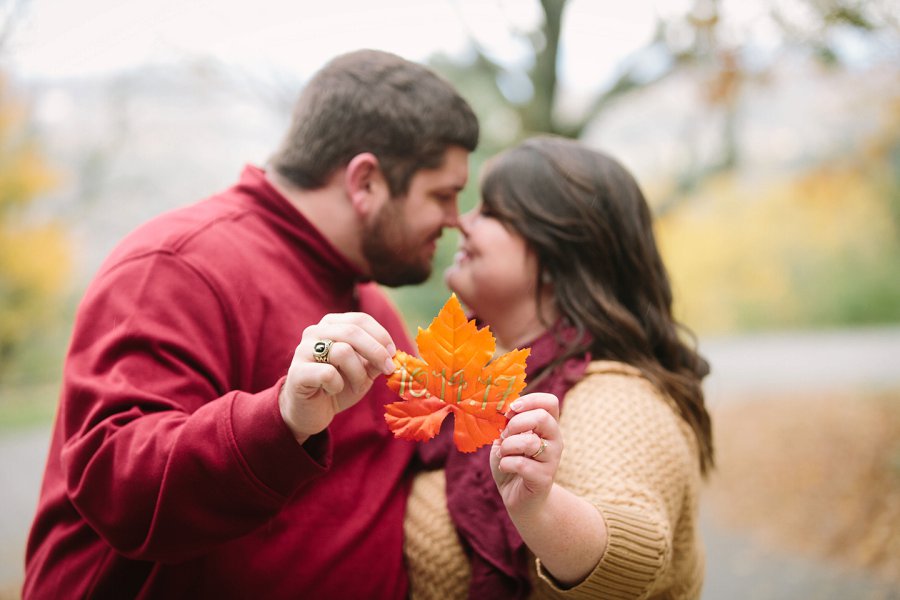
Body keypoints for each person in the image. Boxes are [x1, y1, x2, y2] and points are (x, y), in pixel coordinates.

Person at [23, 49, 479, 599]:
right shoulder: (177, 265)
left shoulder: (368, 304)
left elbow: (430, 446)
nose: (456, 220)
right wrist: (283, 417)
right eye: (443, 195)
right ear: (365, 182)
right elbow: (116, 485)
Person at [404, 135, 714, 599]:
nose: (460, 222)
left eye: (489, 212)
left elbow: (635, 555)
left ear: (555, 255)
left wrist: (539, 511)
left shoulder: (615, 398)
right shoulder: (476, 381)